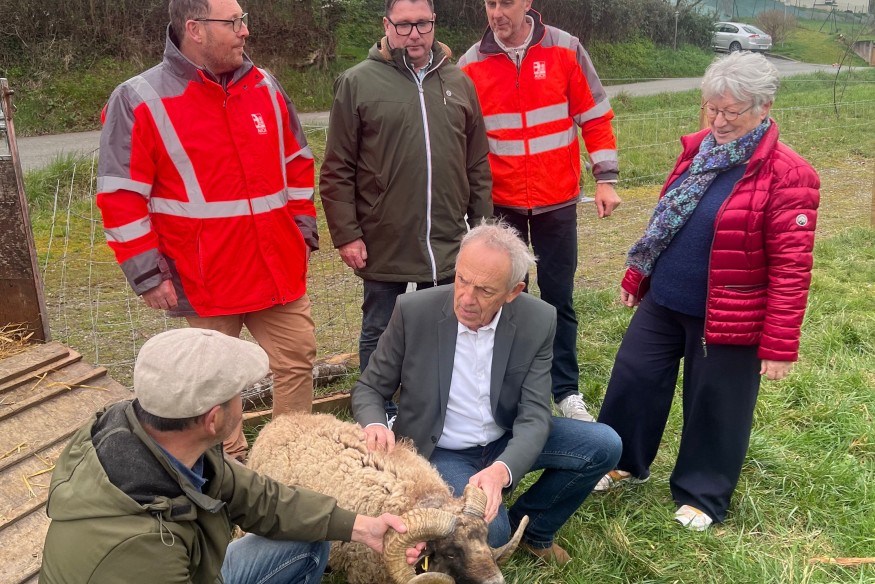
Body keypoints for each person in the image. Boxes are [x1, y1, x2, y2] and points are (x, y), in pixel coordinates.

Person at [594, 52, 820, 531]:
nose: (717, 121)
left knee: (715, 401)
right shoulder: (698, 149)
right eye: (711, 109)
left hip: (729, 312)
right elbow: (665, 222)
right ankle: (621, 460)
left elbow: (792, 268)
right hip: (665, 298)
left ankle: (703, 494)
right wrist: (637, 276)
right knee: (634, 377)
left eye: (730, 112)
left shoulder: (789, 174)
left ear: (763, 107)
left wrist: (779, 344)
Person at [96, 0, 318, 461]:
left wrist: (302, 228)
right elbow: (120, 196)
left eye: (243, 20)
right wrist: (147, 274)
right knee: (213, 385)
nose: (244, 31)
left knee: (297, 361)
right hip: (206, 277)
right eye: (233, 22)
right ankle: (229, 470)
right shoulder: (138, 99)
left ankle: (290, 461)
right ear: (194, 29)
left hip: (277, 265)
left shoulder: (265, 86)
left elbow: (297, 160)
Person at [40, 328, 422, 584]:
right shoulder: (141, 547)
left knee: (309, 536)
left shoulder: (165, 445)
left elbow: (261, 498)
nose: (242, 404)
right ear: (213, 419)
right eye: (239, 396)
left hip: (192, 566)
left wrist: (361, 527)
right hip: (164, 567)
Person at [352, 222, 621, 565]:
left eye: (484, 291)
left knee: (604, 445)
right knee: (493, 536)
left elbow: (535, 415)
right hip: (442, 449)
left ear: (513, 291)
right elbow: (370, 387)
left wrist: (502, 469)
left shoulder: (538, 319)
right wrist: (375, 423)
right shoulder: (413, 311)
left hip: (503, 438)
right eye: (462, 280)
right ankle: (506, 528)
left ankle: (534, 530)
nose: (466, 298)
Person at [319, 0, 493, 423]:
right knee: (380, 328)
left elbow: (476, 163)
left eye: (422, 24)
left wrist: (483, 229)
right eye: (404, 25)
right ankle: (378, 412)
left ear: (434, 24)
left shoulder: (458, 82)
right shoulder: (357, 82)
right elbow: (337, 168)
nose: (414, 34)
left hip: (448, 237)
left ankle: (443, 407)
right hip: (385, 236)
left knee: (450, 325)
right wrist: (347, 233)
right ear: (386, 25)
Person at [458, 0, 621, 423]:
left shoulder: (565, 49)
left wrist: (605, 178)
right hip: (501, 205)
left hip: (557, 201)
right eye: (490, 3)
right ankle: (509, 391)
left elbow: (595, 115)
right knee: (506, 299)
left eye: (506, 3)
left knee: (558, 298)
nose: (497, 13)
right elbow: (458, 137)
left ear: (527, 3)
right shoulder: (470, 64)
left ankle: (565, 391)